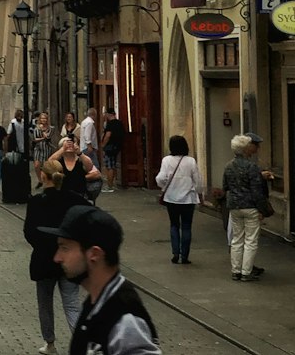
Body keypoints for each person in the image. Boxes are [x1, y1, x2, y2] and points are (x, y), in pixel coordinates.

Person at [44, 204, 161, 354]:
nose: (57, 258)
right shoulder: (96, 302)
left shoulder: (124, 320)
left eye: (65, 248)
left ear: (94, 254)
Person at [23, 158, 81, 355]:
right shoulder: (73, 199)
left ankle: (50, 344)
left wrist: (43, 245)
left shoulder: (36, 202)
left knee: (45, 304)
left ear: (43, 176)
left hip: (44, 260)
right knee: (72, 305)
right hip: (70, 261)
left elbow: (29, 232)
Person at [223, 133, 271, 281]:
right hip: (250, 207)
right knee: (251, 240)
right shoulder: (252, 167)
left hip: (234, 206)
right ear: (246, 149)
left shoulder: (228, 166)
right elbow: (257, 192)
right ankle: (246, 272)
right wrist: (264, 210)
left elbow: (225, 186)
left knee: (237, 239)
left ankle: (235, 271)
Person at [154, 134, 203, 265]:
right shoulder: (191, 161)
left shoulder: (166, 160)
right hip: (188, 198)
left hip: (171, 198)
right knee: (187, 227)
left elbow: (160, 178)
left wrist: (164, 186)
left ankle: (175, 253)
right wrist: (199, 192)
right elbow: (197, 180)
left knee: (174, 225)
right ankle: (185, 255)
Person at [54, 135, 102, 204]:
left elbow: (91, 168)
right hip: (62, 195)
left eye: (72, 144)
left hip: (80, 194)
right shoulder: (58, 161)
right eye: (67, 144)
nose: (70, 146)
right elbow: (49, 163)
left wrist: (80, 153)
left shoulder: (81, 159)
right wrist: (62, 149)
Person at [100, 107, 124, 192]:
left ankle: (109, 186)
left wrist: (103, 145)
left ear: (108, 114)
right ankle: (113, 183)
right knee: (113, 166)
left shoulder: (110, 124)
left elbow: (108, 135)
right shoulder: (119, 123)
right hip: (117, 147)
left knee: (109, 166)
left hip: (109, 147)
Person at [32, 111, 56, 186]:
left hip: (47, 148)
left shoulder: (51, 128)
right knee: (36, 165)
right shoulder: (36, 128)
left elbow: (48, 137)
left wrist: (42, 131)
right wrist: (42, 138)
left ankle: (46, 180)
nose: (43, 120)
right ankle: (40, 180)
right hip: (38, 148)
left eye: (45, 118)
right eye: (42, 118)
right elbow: (35, 139)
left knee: (46, 166)